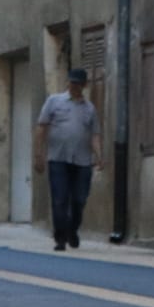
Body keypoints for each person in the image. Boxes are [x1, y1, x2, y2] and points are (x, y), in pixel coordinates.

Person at [36, 67, 104, 251]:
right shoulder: (54, 101)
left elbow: (95, 135)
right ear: (68, 82)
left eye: (78, 83)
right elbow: (41, 127)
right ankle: (60, 238)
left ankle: (72, 229)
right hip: (58, 158)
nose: (74, 86)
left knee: (79, 199)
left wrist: (99, 155)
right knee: (59, 199)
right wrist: (38, 154)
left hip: (82, 161)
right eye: (72, 82)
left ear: (84, 85)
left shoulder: (89, 109)